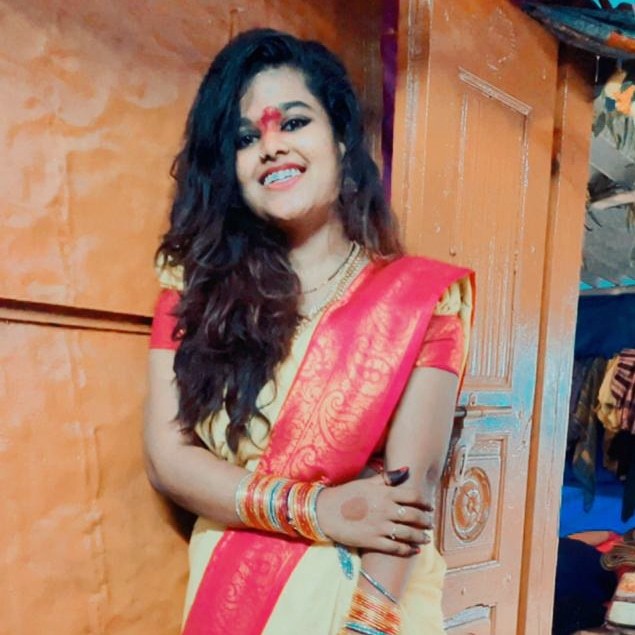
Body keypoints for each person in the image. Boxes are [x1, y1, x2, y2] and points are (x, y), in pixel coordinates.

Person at [144, 28, 474, 635]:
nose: (271, 146)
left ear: (342, 140)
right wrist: (317, 508)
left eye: (294, 123)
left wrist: (366, 626)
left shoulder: (420, 300)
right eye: (246, 138)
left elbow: (410, 491)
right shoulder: (194, 293)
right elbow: (168, 459)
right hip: (230, 597)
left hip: (362, 600)